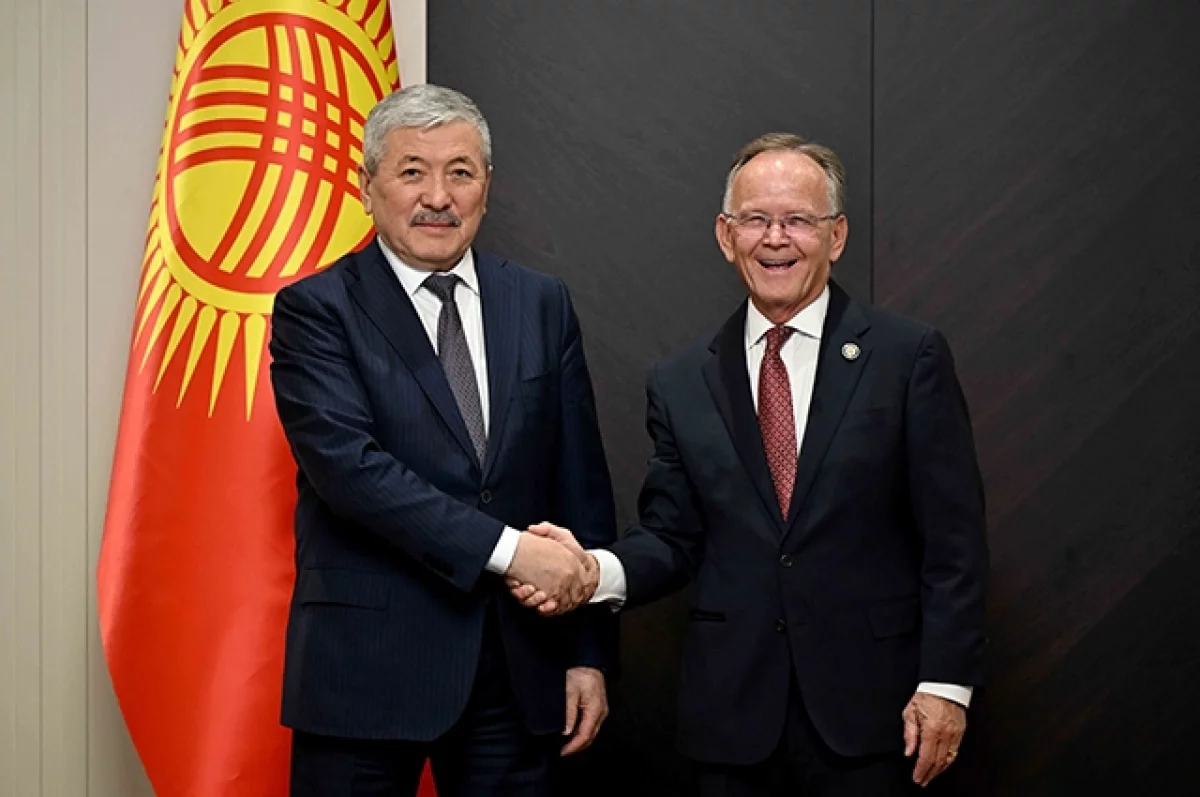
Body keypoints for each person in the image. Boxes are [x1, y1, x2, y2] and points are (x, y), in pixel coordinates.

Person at [510, 133, 988, 795]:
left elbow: (954, 541)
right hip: (732, 720)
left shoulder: (908, 358)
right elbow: (672, 536)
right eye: (756, 219)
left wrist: (946, 685)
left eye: (798, 220)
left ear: (837, 236)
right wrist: (594, 572)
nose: (775, 239)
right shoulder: (681, 380)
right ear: (725, 235)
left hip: (876, 715)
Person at [269, 83, 616, 797]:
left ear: (487, 185)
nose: (438, 197)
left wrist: (587, 652)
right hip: (366, 672)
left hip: (517, 672)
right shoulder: (316, 310)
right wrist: (513, 551)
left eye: (460, 172)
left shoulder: (540, 302)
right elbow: (353, 474)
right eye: (412, 172)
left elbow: (578, 481)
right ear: (367, 186)